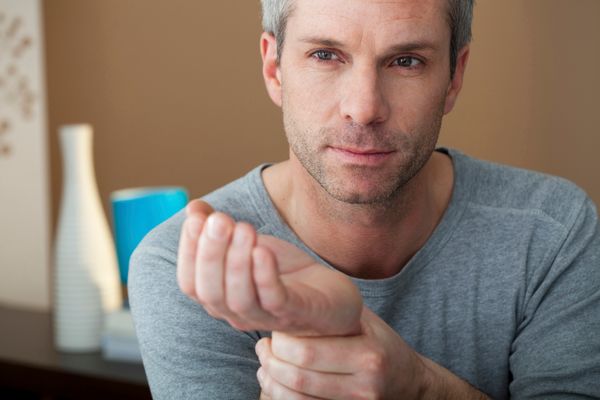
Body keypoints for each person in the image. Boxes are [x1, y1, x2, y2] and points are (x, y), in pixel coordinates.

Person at [128, 0, 600, 398]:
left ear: (454, 77)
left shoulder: (552, 231)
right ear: (274, 69)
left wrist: (419, 387)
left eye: (406, 61)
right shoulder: (184, 269)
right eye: (326, 55)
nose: (365, 107)